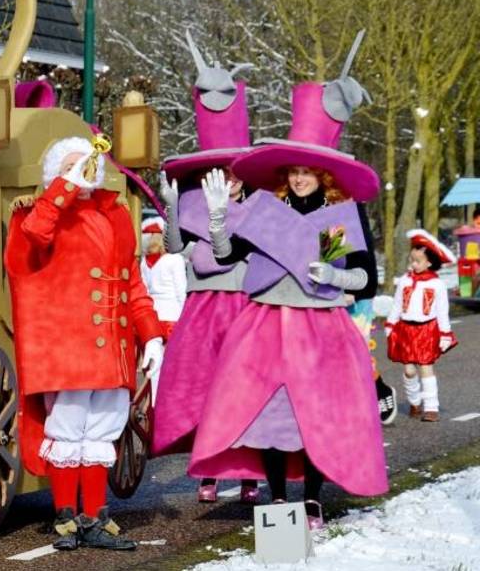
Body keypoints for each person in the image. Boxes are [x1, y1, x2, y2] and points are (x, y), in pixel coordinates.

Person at [190, 43, 387, 529]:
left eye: (308, 171)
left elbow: (365, 280)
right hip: (264, 326)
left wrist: (336, 274)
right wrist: (219, 221)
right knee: (272, 417)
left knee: (315, 417)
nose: (300, 179)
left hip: (321, 330)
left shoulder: (337, 217)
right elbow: (227, 257)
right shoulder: (264, 209)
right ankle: (278, 497)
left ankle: (313, 498)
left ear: (323, 175)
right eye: (293, 171)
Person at [4, 136, 164, 551]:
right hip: (66, 347)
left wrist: (149, 335)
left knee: (102, 431)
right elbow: (34, 237)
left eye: (88, 164)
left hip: (111, 348)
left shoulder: (116, 215)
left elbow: (132, 281)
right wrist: (64, 188)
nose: (84, 171)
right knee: (69, 429)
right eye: (73, 165)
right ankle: (64, 518)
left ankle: (94, 518)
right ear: (55, 174)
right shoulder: (39, 215)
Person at [152, 34, 260, 504]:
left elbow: (245, 255)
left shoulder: (261, 207)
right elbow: (176, 247)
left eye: (236, 174)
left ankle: (252, 474)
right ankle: (210, 472)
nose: (229, 182)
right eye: (223, 173)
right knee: (205, 390)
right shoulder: (194, 199)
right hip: (202, 310)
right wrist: (172, 207)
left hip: (242, 307)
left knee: (247, 391)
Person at [386, 229, 458, 422]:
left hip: (426, 330)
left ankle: (431, 407)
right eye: (412, 260)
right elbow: (397, 303)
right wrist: (391, 323)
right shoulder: (405, 280)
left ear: (429, 262)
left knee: (426, 368)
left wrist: (445, 333)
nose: (413, 264)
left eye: (417, 261)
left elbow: (442, 311)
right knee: (409, 370)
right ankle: (414, 401)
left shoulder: (437, 285)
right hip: (405, 329)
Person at [139, 218, 187, 338]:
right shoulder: (176, 259)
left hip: (151, 317)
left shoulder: (144, 262)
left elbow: (144, 291)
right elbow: (181, 291)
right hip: (173, 315)